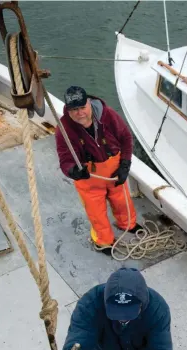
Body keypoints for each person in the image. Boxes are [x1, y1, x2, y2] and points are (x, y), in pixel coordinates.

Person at [55, 86, 139, 255]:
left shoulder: (108, 115)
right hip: (89, 176)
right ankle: (104, 241)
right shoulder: (63, 129)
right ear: (68, 110)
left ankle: (128, 224)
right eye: (74, 109)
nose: (79, 113)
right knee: (96, 211)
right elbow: (65, 159)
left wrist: (125, 165)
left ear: (89, 103)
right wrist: (73, 171)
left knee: (122, 200)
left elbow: (126, 138)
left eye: (82, 107)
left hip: (114, 168)